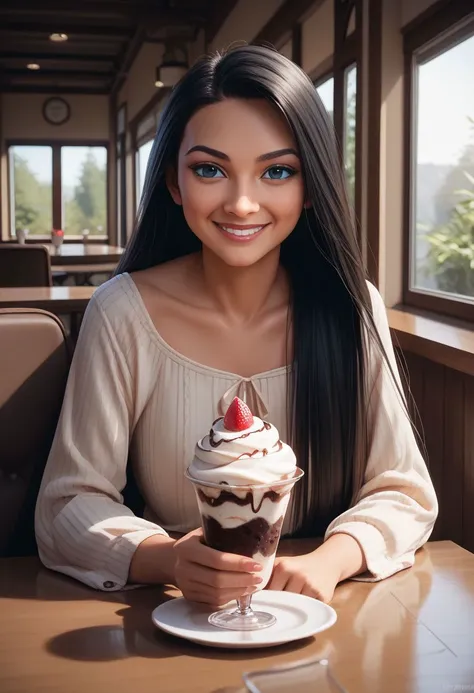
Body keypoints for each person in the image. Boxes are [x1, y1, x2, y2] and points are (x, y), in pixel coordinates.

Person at [35, 45, 438, 605]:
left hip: (330, 621)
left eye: (277, 171)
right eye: (209, 169)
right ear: (174, 184)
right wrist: (165, 558)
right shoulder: (121, 312)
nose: (243, 203)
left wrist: (331, 560)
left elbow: (405, 491)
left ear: (310, 186)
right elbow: (67, 504)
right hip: (168, 622)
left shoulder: (351, 307)